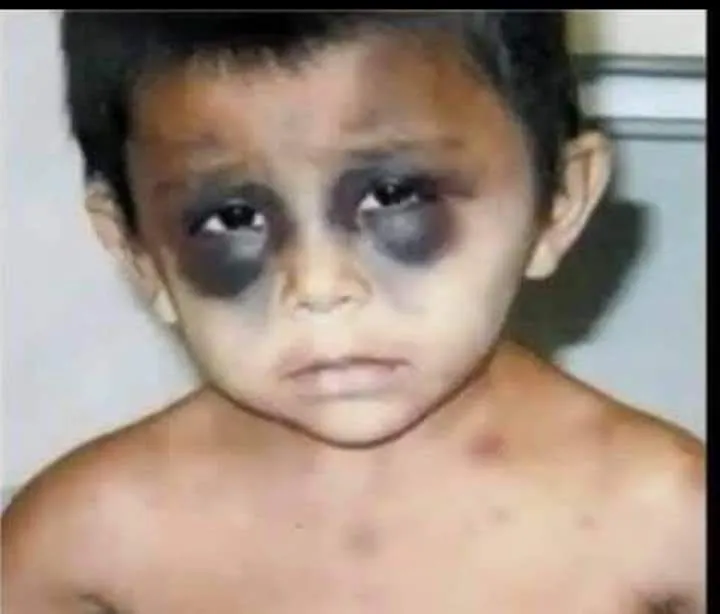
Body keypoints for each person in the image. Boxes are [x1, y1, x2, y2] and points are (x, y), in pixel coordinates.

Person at [2, 11, 705, 613]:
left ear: (559, 203)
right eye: (232, 217)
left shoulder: (666, 521)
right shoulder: (84, 545)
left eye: (394, 197)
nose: (318, 284)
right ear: (136, 250)